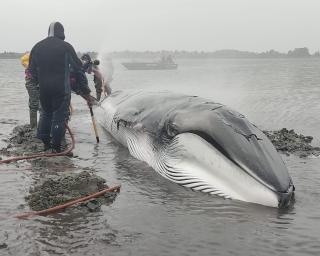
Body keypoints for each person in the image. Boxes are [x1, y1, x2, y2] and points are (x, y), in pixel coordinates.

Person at [29, 21, 94, 153]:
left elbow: (31, 70)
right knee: (59, 116)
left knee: (46, 114)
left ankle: (46, 145)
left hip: (44, 89)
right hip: (60, 89)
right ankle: (56, 148)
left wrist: (38, 83)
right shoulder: (65, 46)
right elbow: (78, 67)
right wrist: (87, 65)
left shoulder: (37, 47)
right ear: (62, 32)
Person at [21, 52, 39, 129]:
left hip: (36, 82)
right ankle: (34, 127)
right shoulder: (30, 64)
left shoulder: (31, 61)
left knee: (38, 105)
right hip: (32, 82)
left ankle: (38, 126)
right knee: (34, 105)